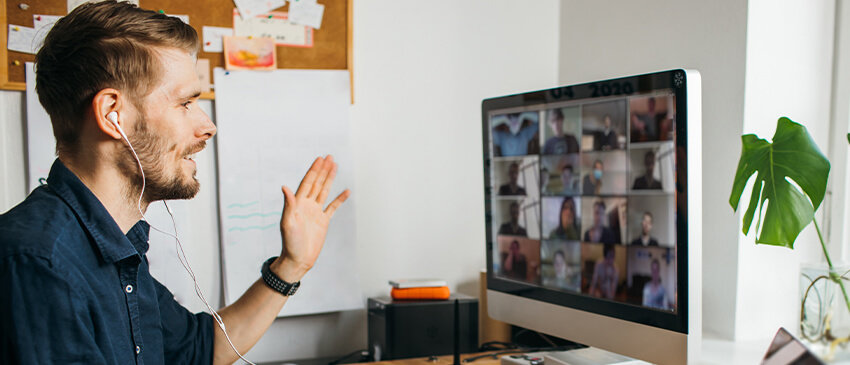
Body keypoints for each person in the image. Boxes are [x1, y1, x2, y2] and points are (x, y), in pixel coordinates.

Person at [0, 2, 351, 364]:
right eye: (185, 103)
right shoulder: (38, 261)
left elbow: (201, 348)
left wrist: (291, 265)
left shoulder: (118, 243)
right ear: (111, 115)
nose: (207, 127)